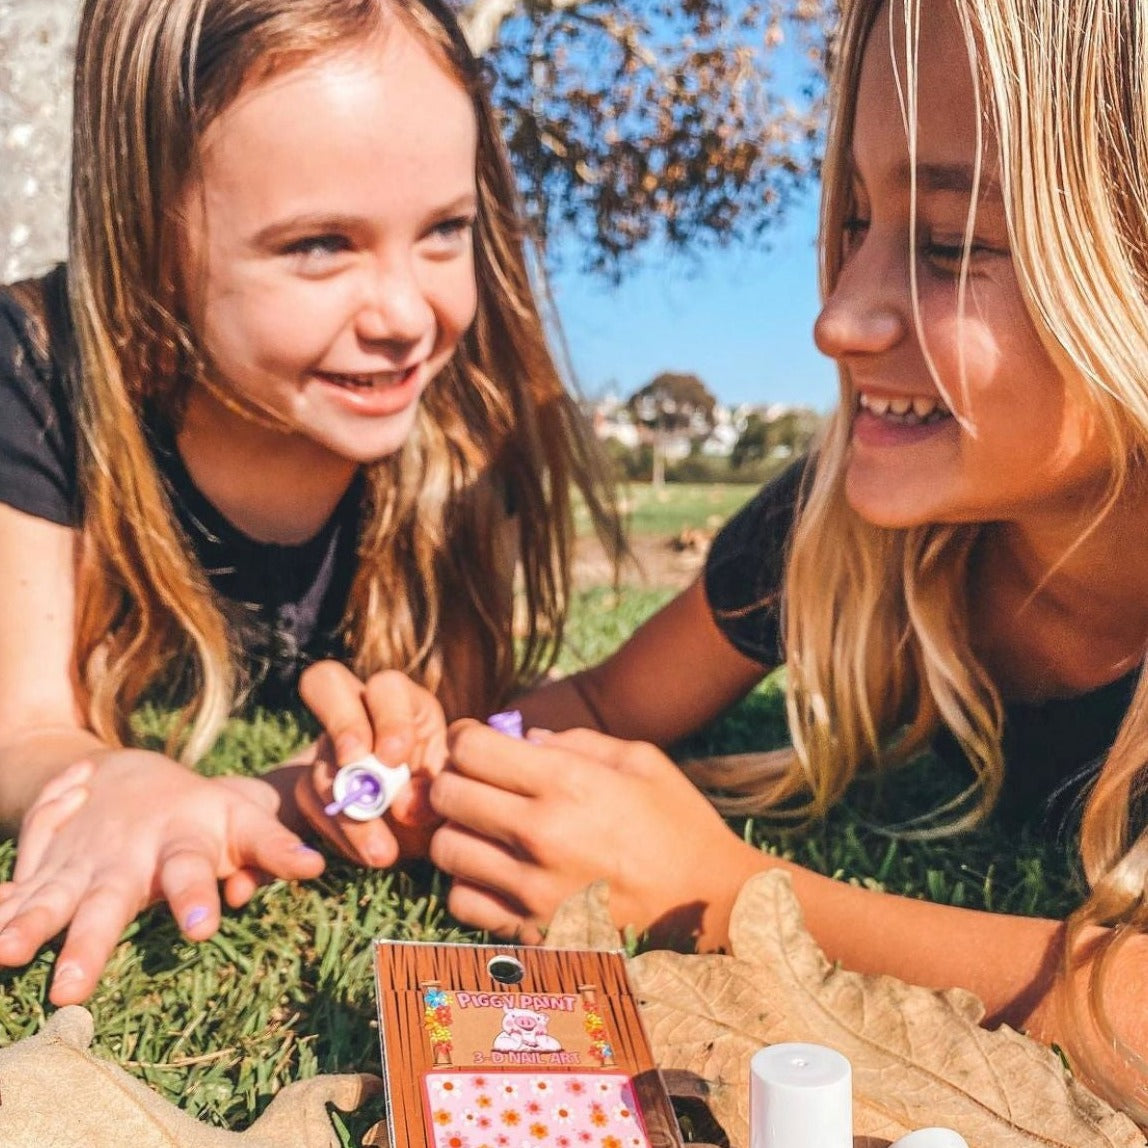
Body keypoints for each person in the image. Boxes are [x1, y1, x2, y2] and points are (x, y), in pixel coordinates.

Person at [301, 0, 1148, 1120]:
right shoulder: (832, 528)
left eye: (948, 245)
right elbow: (607, 697)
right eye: (850, 224)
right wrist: (452, 765)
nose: (837, 320)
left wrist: (730, 892)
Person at [0, 0, 620, 1007]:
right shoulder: (36, 371)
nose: (407, 316)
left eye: (445, 230)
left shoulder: (467, 416)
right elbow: (21, 724)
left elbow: (446, 694)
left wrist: (341, 771)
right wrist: (109, 777)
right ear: (149, 232)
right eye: (320, 245)